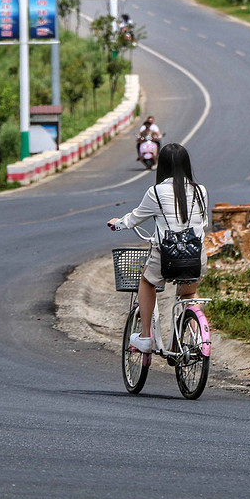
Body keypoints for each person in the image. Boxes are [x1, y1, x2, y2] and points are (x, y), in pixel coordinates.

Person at [108, 143, 208, 353]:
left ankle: (145, 337)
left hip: (167, 257)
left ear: (161, 166)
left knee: (147, 281)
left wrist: (118, 223)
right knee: (189, 295)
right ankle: (199, 336)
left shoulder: (155, 192)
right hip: (196, 257)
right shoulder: (201, 191)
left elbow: (134, 218)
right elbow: (203, 223)